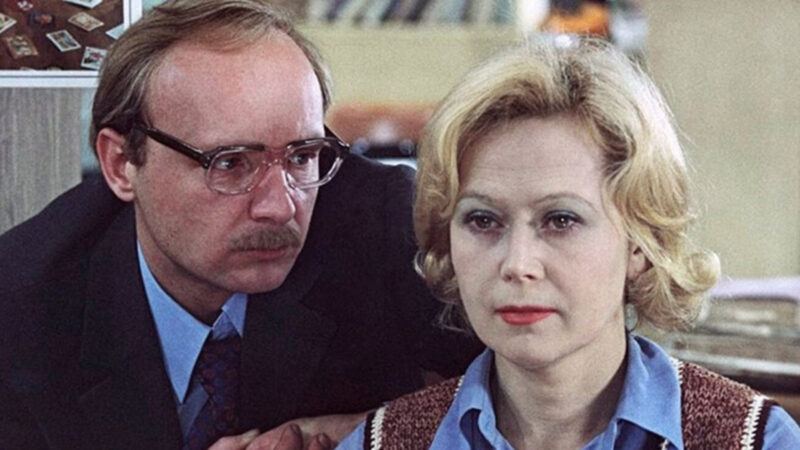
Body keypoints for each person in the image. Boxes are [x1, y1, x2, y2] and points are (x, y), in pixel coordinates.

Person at [0, 1, 480, 449]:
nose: (280, 207)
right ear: (121, 163)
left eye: (302, 156)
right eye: (230, 163)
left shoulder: (388, 225)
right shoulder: (22, 309)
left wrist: (370, 432)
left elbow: (519, 387)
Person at [339, 37, 800, 449]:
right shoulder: (385, 442)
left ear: (640, 243)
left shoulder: (752, 440)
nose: (518, 264)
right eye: (483, 220)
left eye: (560, 220)